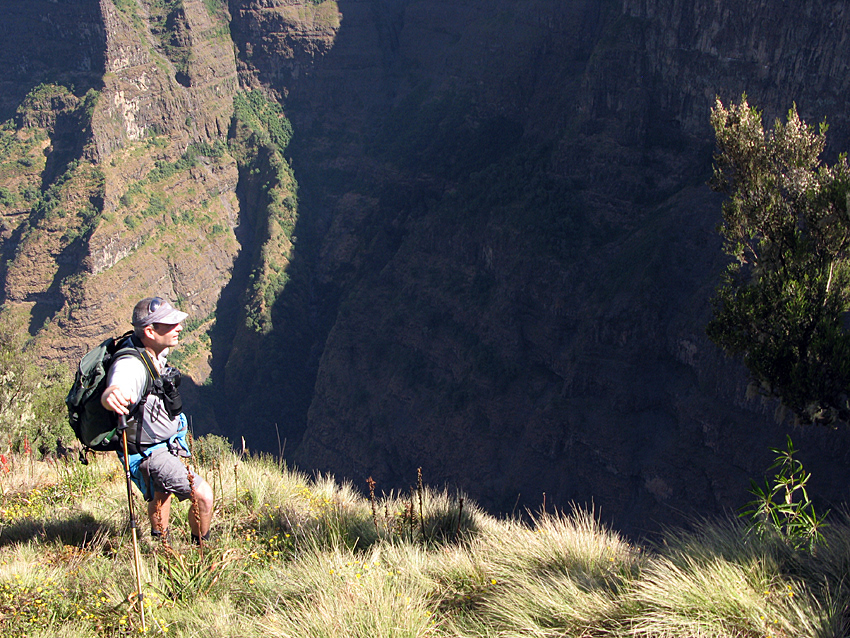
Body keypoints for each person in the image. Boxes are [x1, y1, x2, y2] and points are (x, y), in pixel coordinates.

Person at [101, 297, 214, 544]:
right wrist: (113, 394)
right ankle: (202, 547)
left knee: (162, 492)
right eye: (170, 324)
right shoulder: (131, 364)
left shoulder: (152, 349)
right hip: (149, 452)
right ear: (150, 331)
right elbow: (121, 380)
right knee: (203, 495)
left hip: (161, 444)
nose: (179, 327)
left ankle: (161, 543)